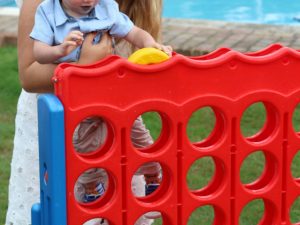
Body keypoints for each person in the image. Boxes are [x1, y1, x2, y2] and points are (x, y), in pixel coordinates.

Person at [5, 0, 165, 224]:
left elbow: (135, 33)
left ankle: (153, 174)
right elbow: (30, 72)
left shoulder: (108, 7)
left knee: (139, 139)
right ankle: (92, 189)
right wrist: (81, 66)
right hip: (60, 114)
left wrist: (151, 46)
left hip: (115, 109)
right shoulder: (46, 9)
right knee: (81, 154)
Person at [30, 0, 172, 64]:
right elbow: (39, 53)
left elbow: (134, 32)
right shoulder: (47, 12)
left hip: (107, 81)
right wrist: (59, 50)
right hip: (71, 89)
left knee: (127, 120)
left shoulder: (105, 7)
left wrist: (149, 43)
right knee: (80, 122)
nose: (88, 0)